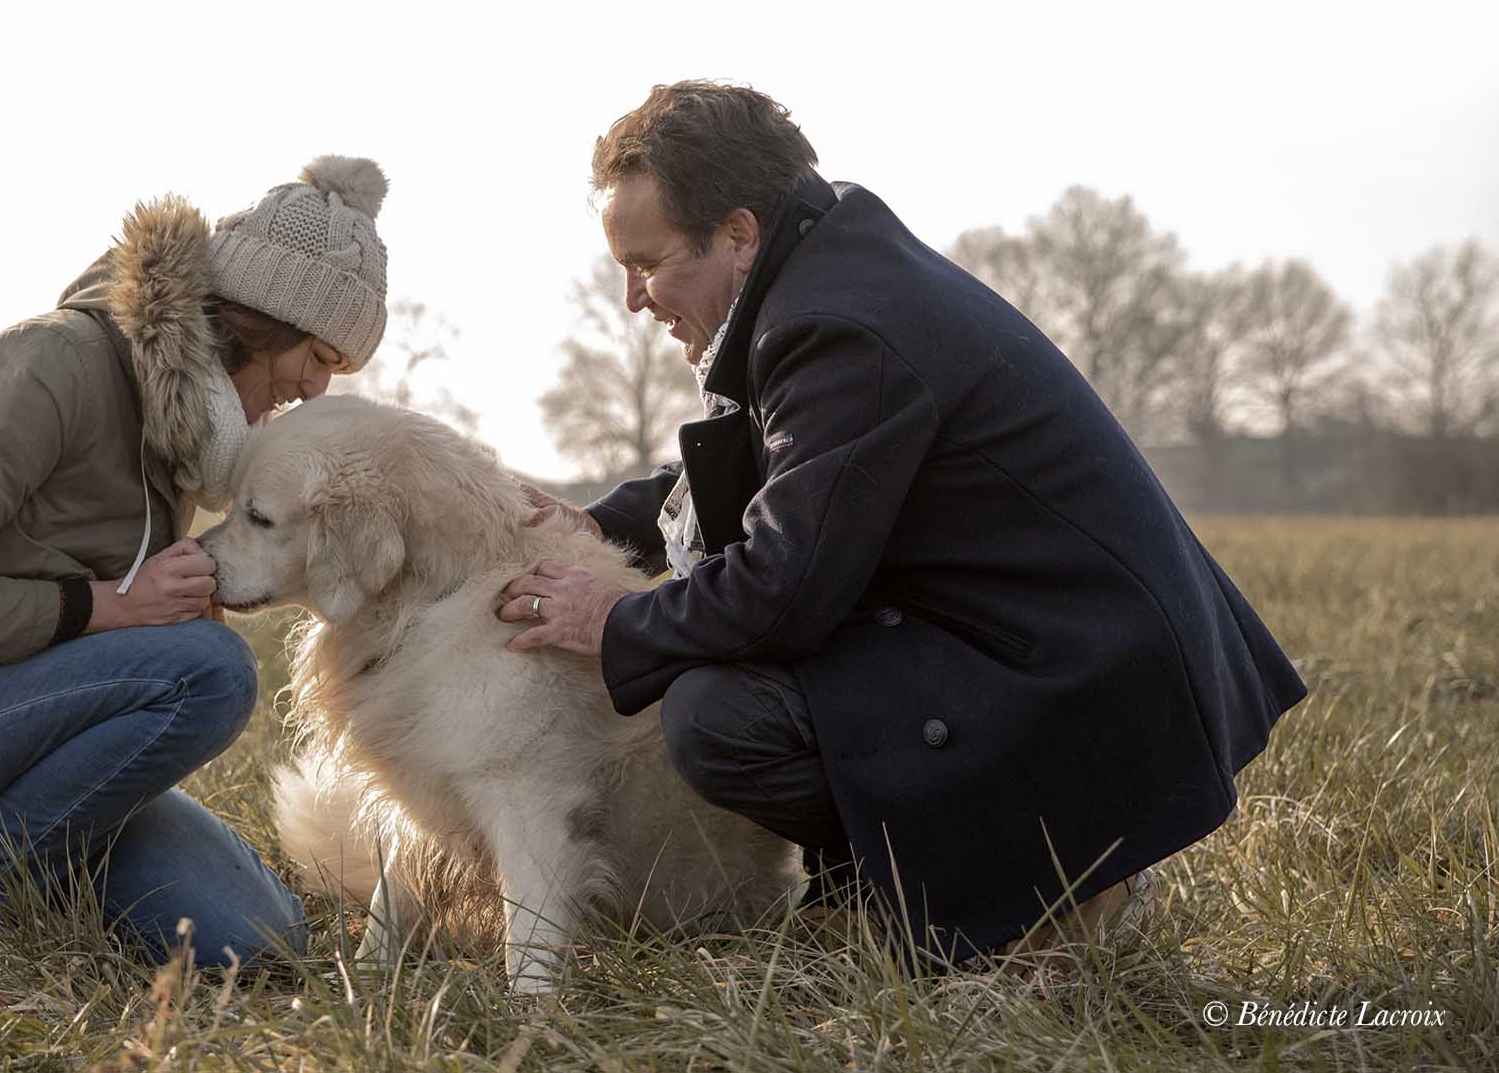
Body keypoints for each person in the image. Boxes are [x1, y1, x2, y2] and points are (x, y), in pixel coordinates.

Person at [499, 82, 1307, 966]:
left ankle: (1059, 884)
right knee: (754, 679)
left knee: (718, 714)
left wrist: (612, 620)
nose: (633, 299)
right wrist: (600, 521)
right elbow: (765, 466)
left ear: (737, 234)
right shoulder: (818, 274)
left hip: (1082, 683)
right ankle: (879, 895)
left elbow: (782, 590)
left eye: (646, 264)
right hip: (1054, 650)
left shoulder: (835, 325)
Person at [0, 155, 392, 968]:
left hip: (4, 761)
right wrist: (112, 609)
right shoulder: (45, 369)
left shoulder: (185, 433)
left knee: (255, 942)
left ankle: (16, 863)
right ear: (264, 317)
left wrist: (153, 620)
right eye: (322, 357)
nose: (317, 388)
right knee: (213, 671)